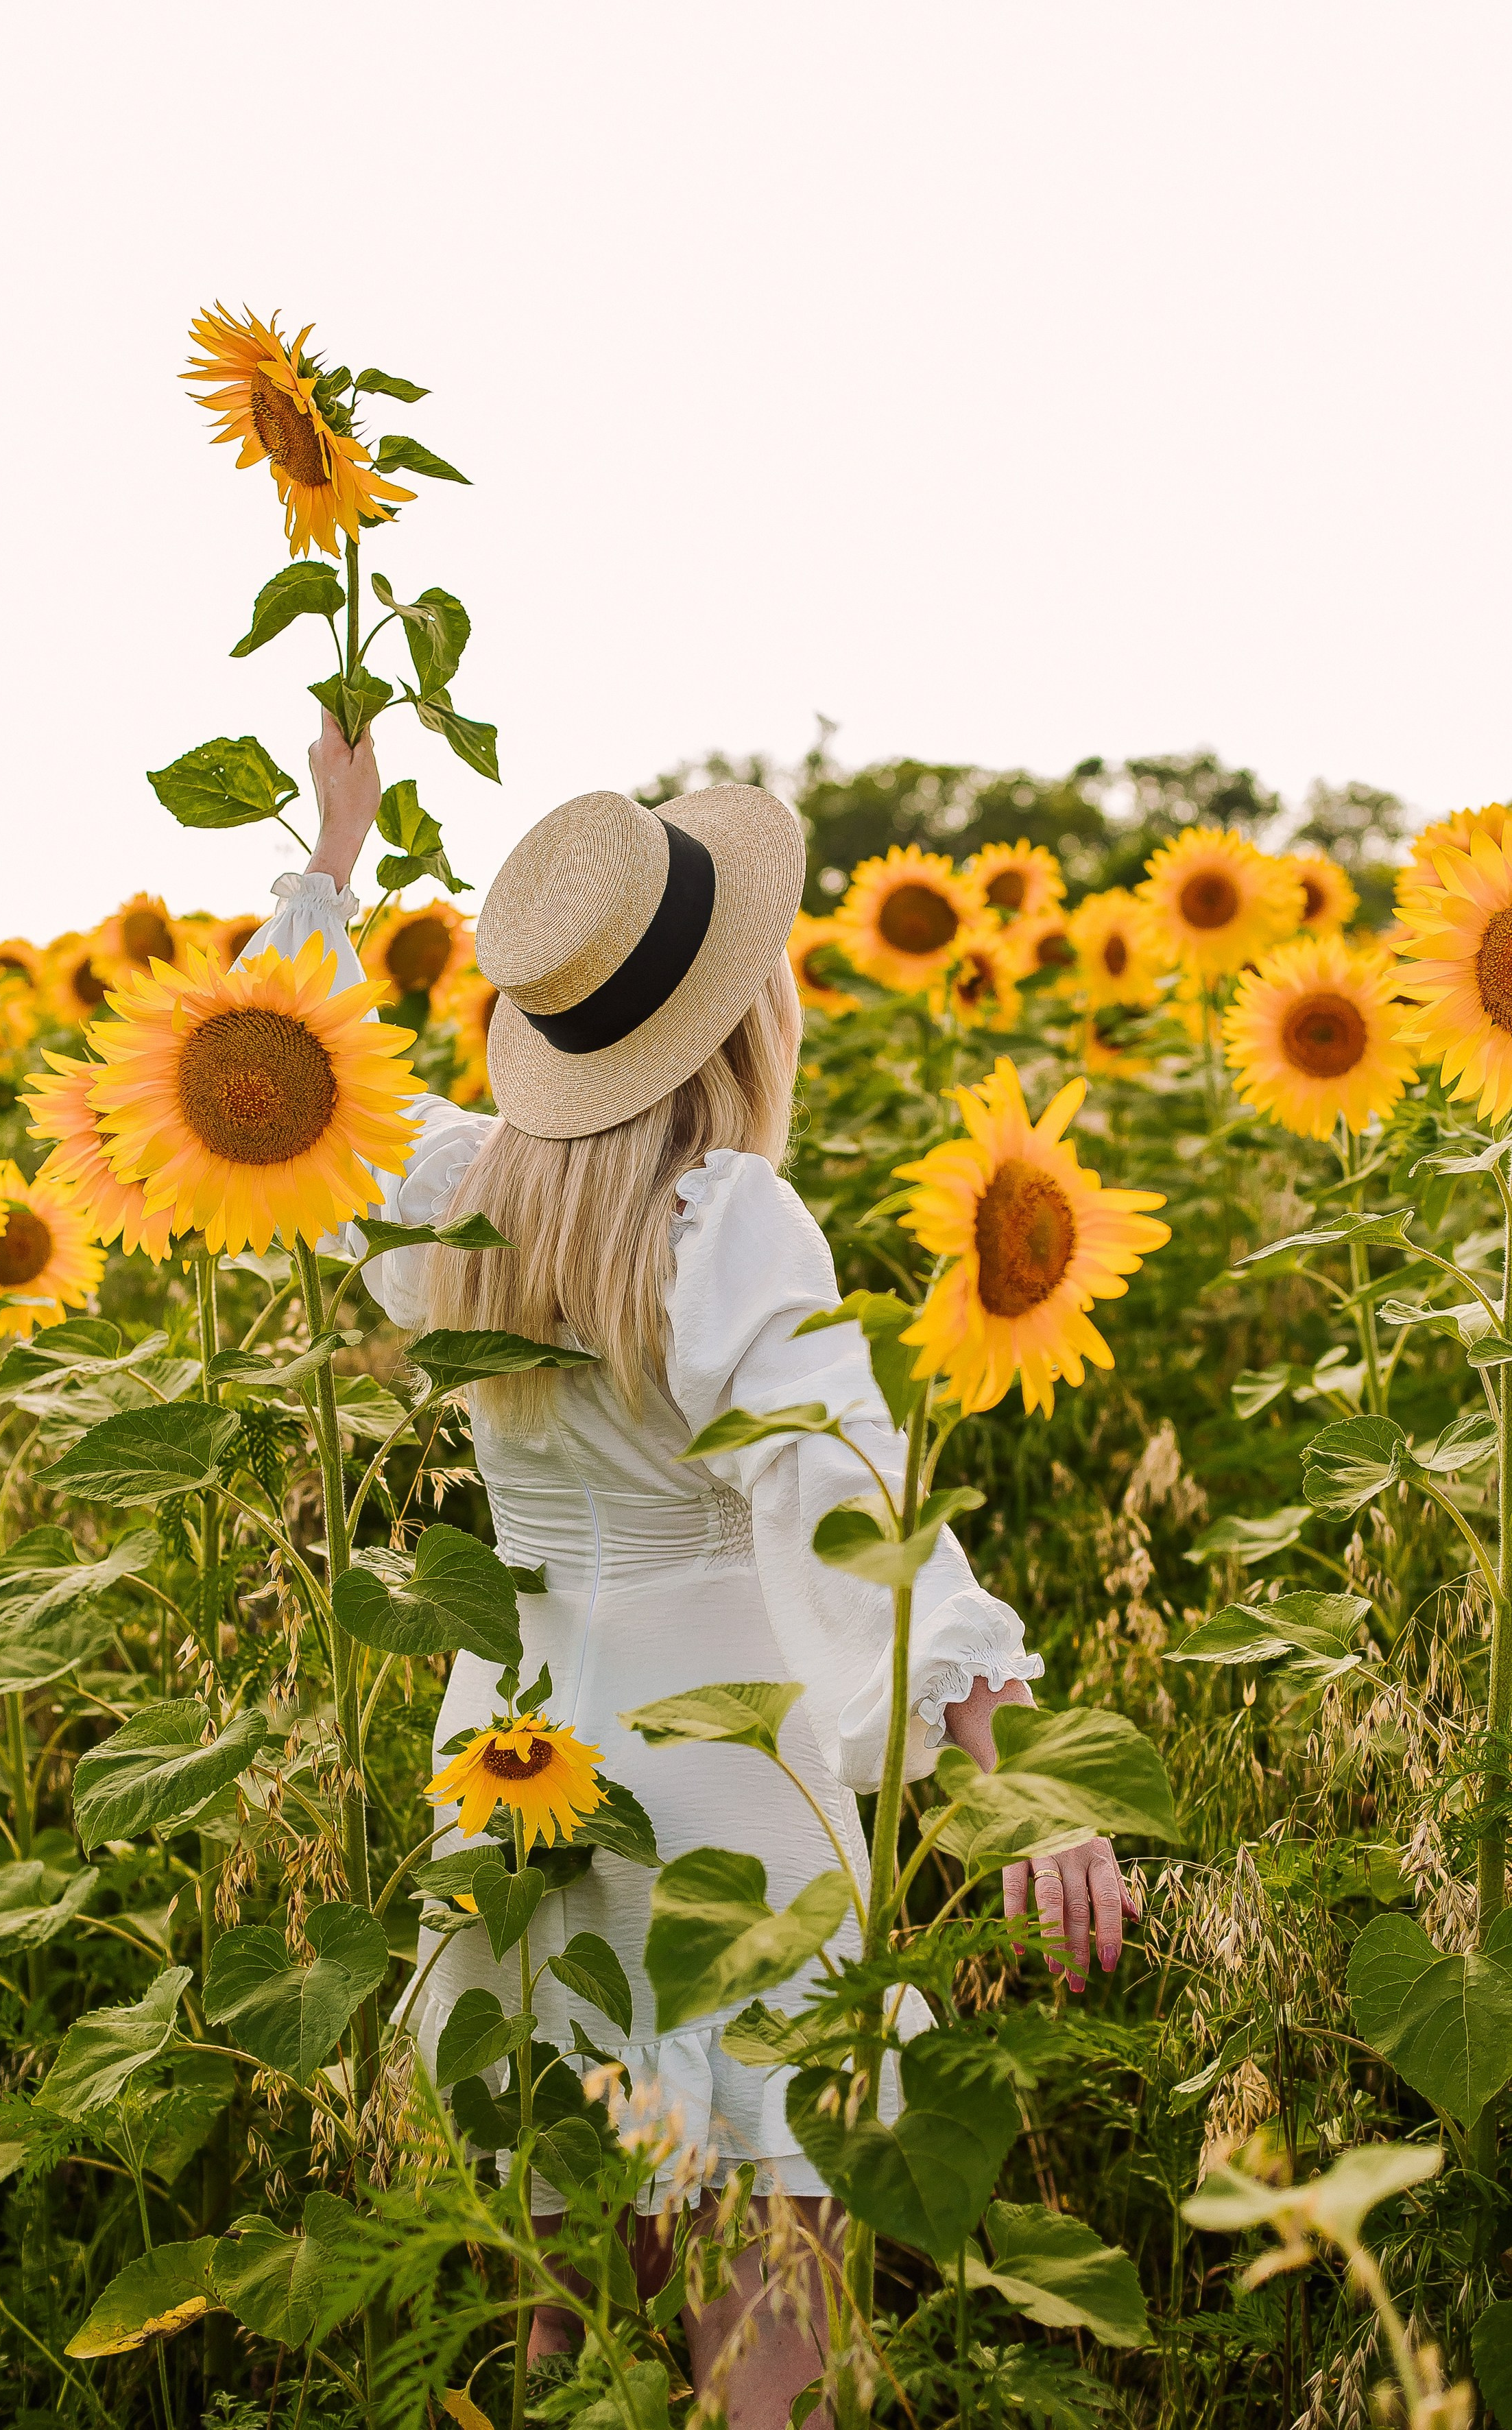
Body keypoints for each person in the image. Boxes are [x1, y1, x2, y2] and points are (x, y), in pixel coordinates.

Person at [243, 713, 1136, 2430]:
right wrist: (1009, 1753)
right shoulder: (720, 1218)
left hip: (512, 1763)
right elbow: (844, 1480)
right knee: (764, 2349)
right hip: (723, 1788)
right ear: (740, 1011)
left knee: (555, 2326)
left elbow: (295, 1071)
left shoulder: (457, 1195)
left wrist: (328, 865)